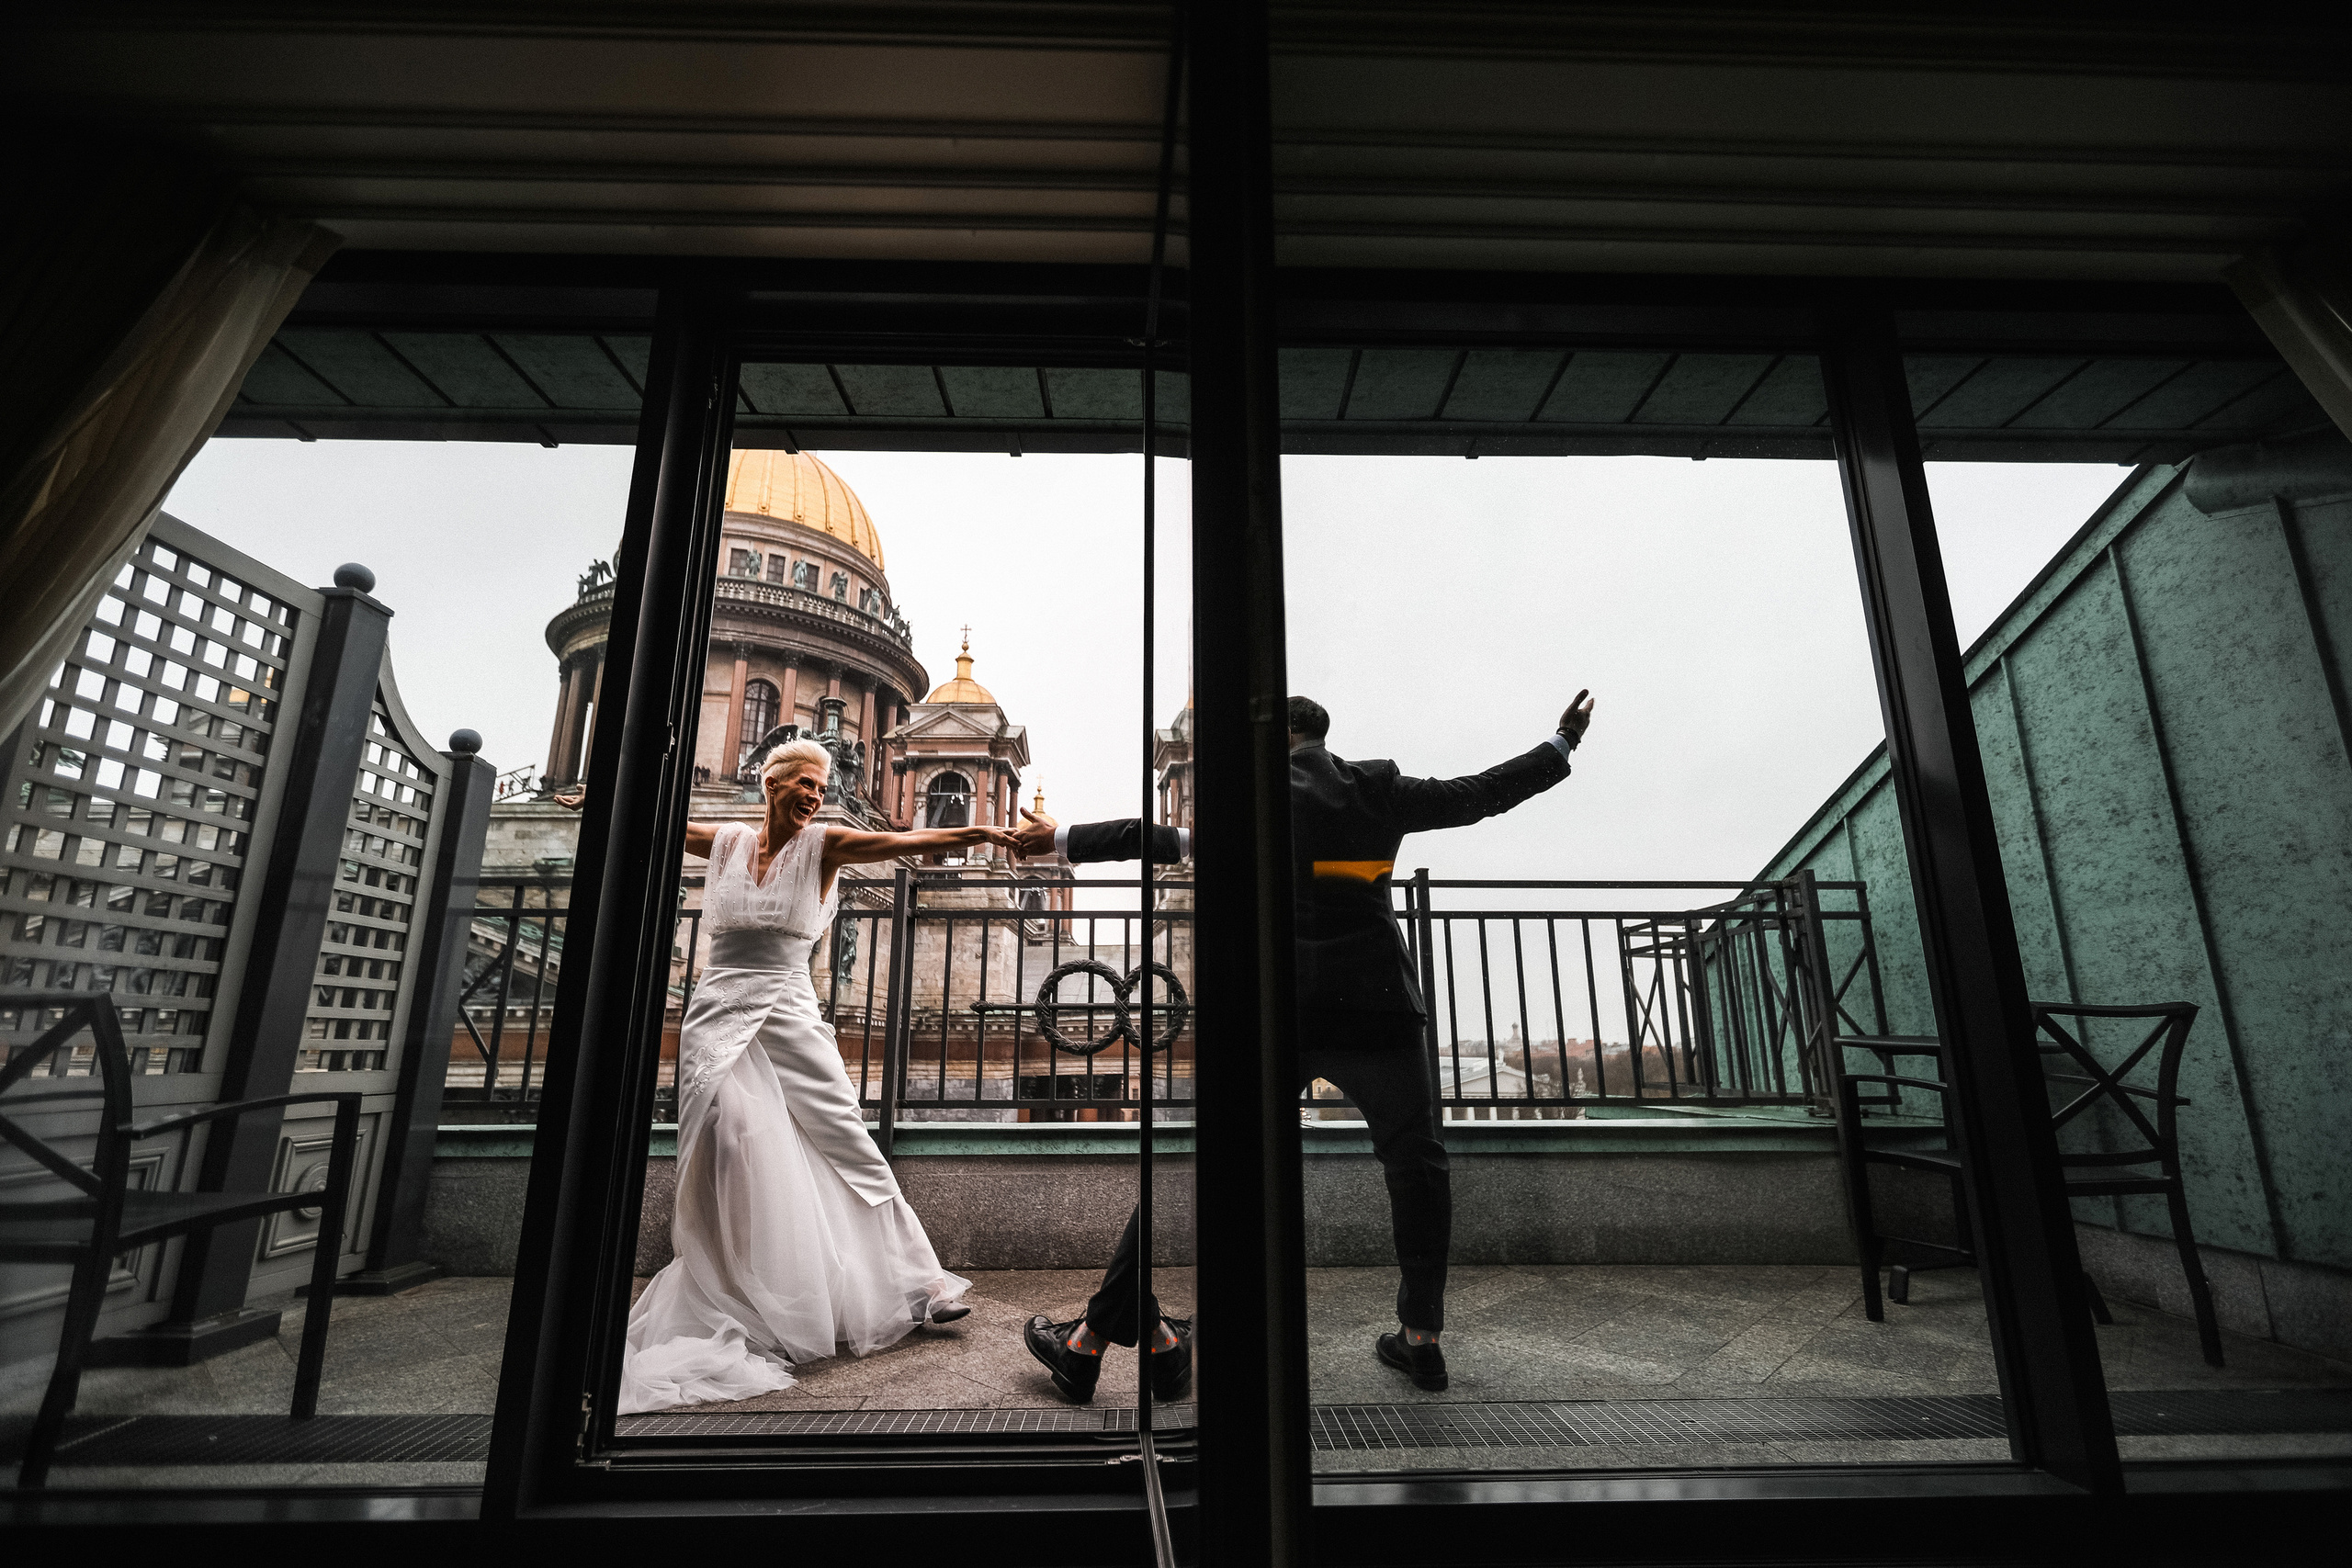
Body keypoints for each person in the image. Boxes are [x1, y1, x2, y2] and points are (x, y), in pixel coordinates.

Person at [1012, 691, 1595, 1398]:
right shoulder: (1376, 787)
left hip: (1277, 1013)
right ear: (1322, 736)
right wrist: (1561, 743)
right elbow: (1481, 794)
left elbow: (1156, 837)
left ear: (1278, 736)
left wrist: (1063, 840)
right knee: (1417, 1166)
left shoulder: (1255, 794)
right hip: (1378, 1010)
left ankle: (1089, 1340)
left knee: (1197, 1169)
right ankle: (1422, 1338)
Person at [562, 739, 1014, 1412]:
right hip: (716, 1010)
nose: (814, 793)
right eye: (804, 781)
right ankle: (745, 1283)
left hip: (788, 1007)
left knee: (842, 1134)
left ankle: (924, 1283)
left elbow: (902, 843)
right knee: (724, 1134)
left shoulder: (825, 844)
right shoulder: (727, 842)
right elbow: (655, 821)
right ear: (770, 782)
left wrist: (982, 829)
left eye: (821, 784)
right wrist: (598, 798)